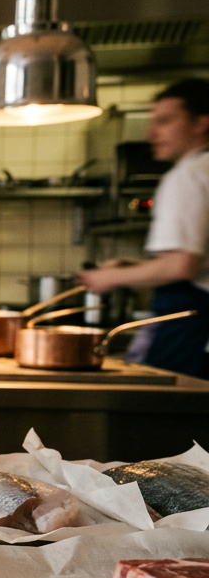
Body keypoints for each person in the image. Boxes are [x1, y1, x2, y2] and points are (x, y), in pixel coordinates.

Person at [80, 79, 209, 378]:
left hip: (191, 325)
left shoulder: (187, 176)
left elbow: (182, 266)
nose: (151, 134)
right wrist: (136, 266)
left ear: (202, 123)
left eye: (164, 122)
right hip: (198, 325)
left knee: (163, 415)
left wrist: (109, 277)